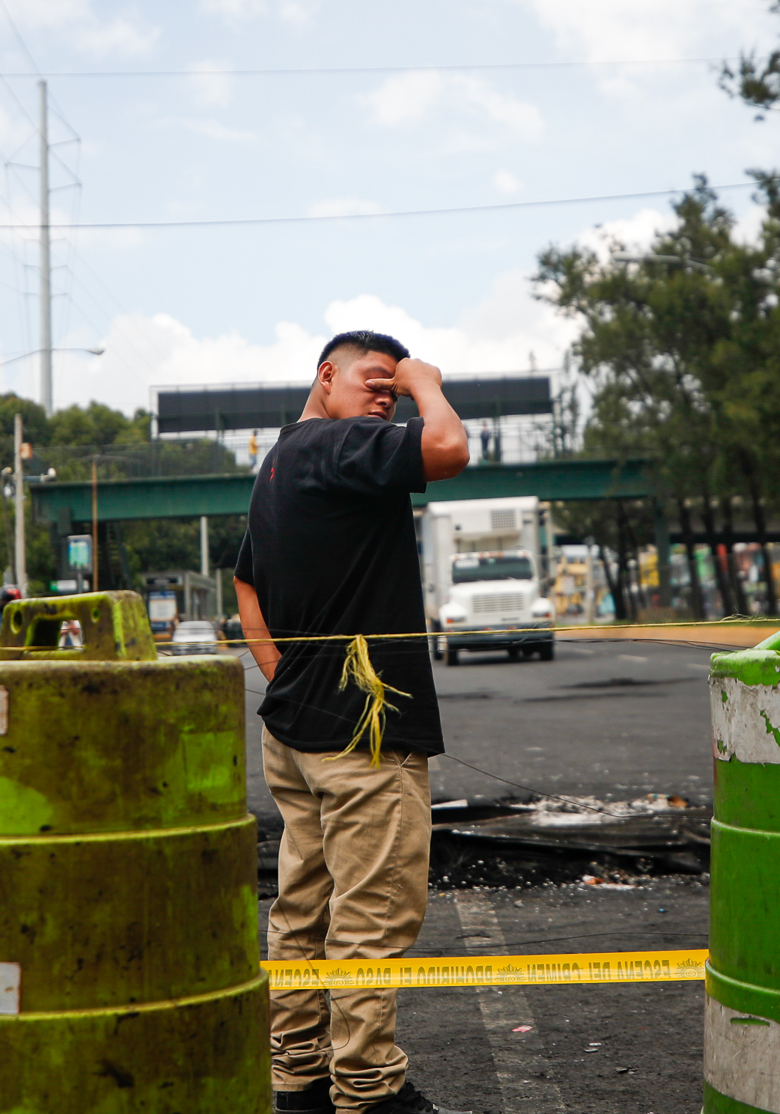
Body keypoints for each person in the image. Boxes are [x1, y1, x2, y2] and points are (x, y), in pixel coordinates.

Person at [235, 331, 469, 1114]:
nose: (388, 396)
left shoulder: (276, 464)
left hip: (296, 733)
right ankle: (369, 1092)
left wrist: (290, 676)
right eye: (376, 380)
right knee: (370, 917)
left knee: (302, 910)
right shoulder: (340, 443)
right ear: (325, 376)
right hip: (364, 739)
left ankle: (297, 1079)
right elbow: (448, 446)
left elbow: (245, 587)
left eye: (395, 388)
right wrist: (428, 381)